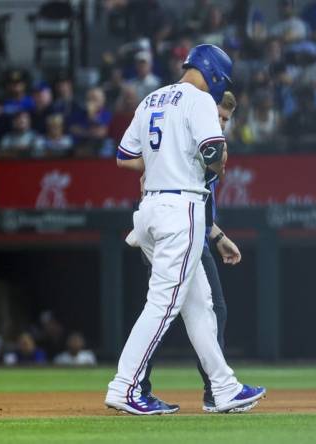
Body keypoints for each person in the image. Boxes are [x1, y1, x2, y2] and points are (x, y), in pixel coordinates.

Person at [106, 44, 265, 415]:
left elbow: (125, 157)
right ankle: (125, 386)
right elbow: (213, 151)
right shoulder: (199, 100)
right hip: (180, 209)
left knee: (199, 304)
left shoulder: (151, 99)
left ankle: (224, 388)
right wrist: (216, 164)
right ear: (214, 74)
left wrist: (163, 161)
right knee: (164, 304)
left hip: (151, 208)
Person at [136, 91, 252, 413]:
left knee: (199, 310)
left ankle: (215, 390)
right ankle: (139, 386)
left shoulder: (207, 148)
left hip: (193, 236)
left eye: (226, 119)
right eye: (218, 115)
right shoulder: (187, 144)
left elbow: (200, 205)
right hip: (174, 235)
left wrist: (217, 236)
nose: (221, 123)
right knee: (168, 312)